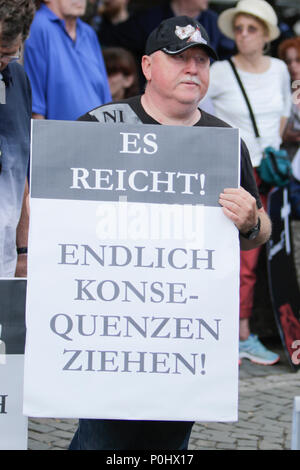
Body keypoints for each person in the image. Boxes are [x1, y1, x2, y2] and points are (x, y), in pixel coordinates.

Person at [69, 15, 271, 450]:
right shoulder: (100, 127)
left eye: (201, 60)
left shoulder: (224, 141)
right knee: (103, 439)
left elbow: (257, 231)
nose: (193, 69)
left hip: (185, 332)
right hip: (112, 326)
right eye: (180, 59)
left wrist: (252, 220)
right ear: (146, 66)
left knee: (168, 445)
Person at [206, 0, 291, 365]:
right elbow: (202, 117)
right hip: (236, 171)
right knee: (242, 255)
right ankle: (237, 333)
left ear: (267, 34)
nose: (242, 35)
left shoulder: (280, 70)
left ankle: (240, 331)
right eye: (238, 28)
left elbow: (284, 116)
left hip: (270, 172)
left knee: (268, 255)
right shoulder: (221, 71)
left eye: (251, 28)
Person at [23, 0, 111, 121]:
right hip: (59, 136)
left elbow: (105, 95)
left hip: (99, 133)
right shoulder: (39, 26)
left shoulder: (89, 33)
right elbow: (35, 106)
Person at [0, 0, 35, 278]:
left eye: (10, 54)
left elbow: (19, 168)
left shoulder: (16, 78)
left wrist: (23, 250)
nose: (3, 62)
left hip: (5, 258)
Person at [278, 37, 300, 161]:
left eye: (298, 60)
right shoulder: (282, 92)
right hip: (288, 162)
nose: (293, 66)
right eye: (288, 61)